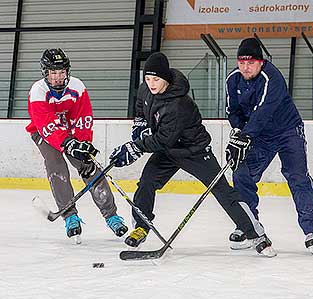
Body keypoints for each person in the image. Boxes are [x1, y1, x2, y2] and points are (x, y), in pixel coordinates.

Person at [109, 52, 276, 257]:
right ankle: (142, 226)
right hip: (168, 151)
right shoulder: (146, 89)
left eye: (156, 79)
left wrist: (135, 147)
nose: (151, 84)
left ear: (166, 79)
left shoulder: (179, 104)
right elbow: (141, 109)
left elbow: (163, 139)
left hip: (194, 151)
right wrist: (140, 127)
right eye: (148, 79)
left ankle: (257, 235)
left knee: (223, 191)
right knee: (146, 182)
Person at [224, 38, 313, 255]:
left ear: (261, 61)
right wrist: (237, 132)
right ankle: (247, 224)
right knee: (242, 173)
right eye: (241, 62)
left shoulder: (272, 78)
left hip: (287, 131)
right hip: (259, 135)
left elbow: (263, 112)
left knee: (297, 176)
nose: (245, 67)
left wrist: (246, 135)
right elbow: (233, 111)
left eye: (250, 62)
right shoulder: (233, 80)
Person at [26, 48, 128, 243]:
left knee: (89, 167)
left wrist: (83, 144)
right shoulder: (38, 91)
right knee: (56, 165)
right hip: (43, 133)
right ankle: (70, 216)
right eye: (53, 73)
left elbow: (83, 118)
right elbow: (45, 124)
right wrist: (66, 143)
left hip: (71, 132)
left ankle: (111, 215)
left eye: (61, 72)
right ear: (45, 73)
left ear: (67, 71)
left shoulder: (77, 87)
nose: (57, 77)